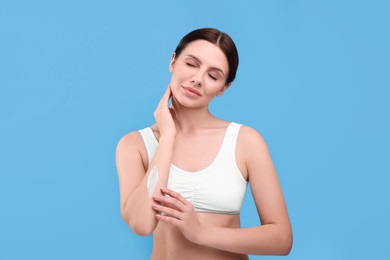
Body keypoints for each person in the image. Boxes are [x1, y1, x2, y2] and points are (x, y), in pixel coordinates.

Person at [115, 28, 292, 260]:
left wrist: (200, 232)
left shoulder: (245, 141)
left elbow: (281, 239)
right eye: (191, 64)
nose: (197, 79)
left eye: (213, 75)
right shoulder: (134, 145)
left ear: (223, 88)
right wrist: (168, 136)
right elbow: (141, 224)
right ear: (173, 62)